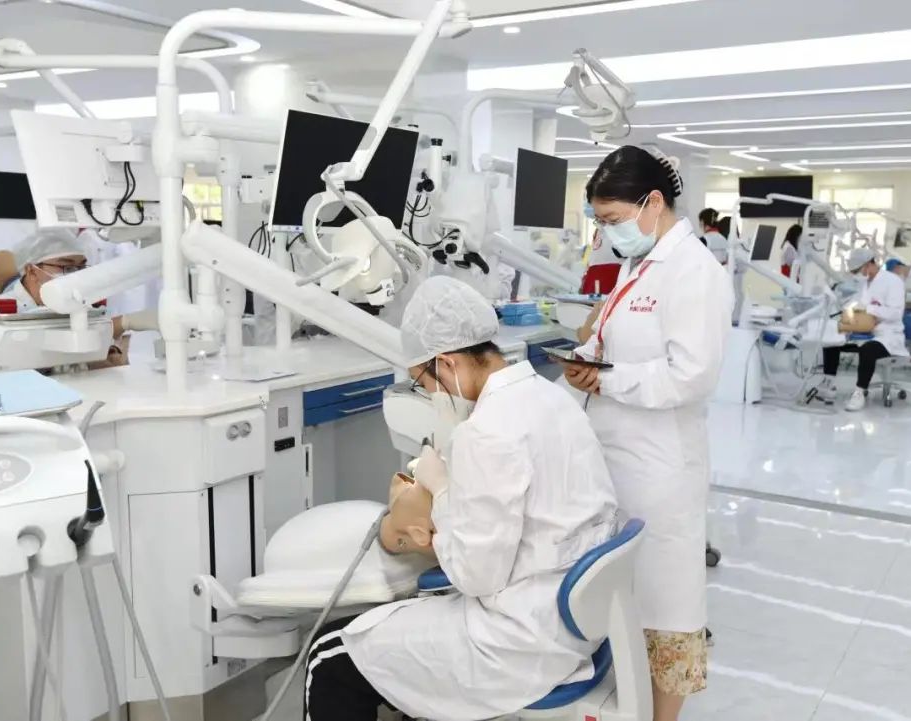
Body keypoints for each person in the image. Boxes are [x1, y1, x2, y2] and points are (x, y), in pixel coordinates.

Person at [303, 275, 620, 721]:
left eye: (424, 382)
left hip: (515, 644)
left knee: (328, 655)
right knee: (394, 633)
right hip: (571, 623)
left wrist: (444, 492)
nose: (431, 393)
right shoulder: (553, 398)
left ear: (447, 363)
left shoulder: (486, 431)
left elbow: (476, 577)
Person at [563, 145, 733, 721]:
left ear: (653, 203)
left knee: (667, 609)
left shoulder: (695, 272)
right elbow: (610, 335)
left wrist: (608, 381)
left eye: (612, 219)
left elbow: (691, 376)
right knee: (623, 603)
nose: (607, 233)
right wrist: (587, 358)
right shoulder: (638, 267)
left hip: (661, 471)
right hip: (616, 457)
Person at [0, 229, 130, 366]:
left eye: (80, 267)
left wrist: (110, 351)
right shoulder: (1, 312)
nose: (76, 275)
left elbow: (108, 353)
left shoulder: (82, 304)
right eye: (66, 267)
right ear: (31, 271)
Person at [812, 248, 907, 412]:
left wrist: (869, 309)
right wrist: (847, 314)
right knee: (832, 339)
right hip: (863, 330)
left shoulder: (893, 282)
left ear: (868, 264)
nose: (857, 275)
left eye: (858, 270)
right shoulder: (864, 284)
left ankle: (859, 392)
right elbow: (856, 305)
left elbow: (895, 313)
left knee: (868, 350)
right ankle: (828, 383)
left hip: (887, 335)